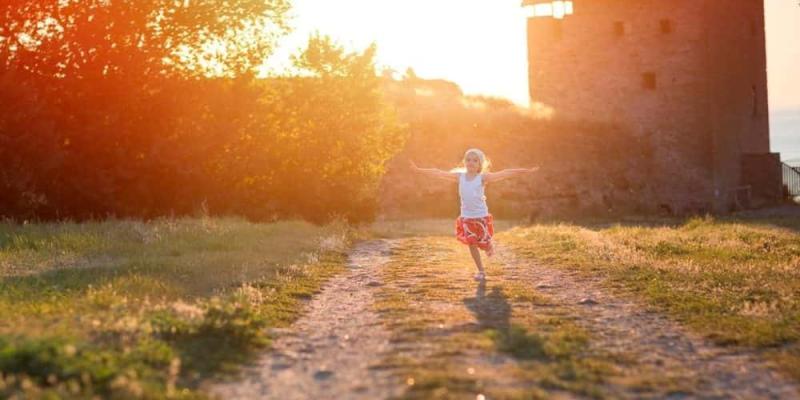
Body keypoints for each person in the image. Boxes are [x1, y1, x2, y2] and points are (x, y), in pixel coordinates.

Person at [410, 148, 539, 281]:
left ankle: (488, 246)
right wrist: (419, 170)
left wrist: (525, 171)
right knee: (472, 244)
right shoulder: (459, 177)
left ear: (480, 164)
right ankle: (481, 271)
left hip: (481, 217)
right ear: (464, 162)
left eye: (475, 160)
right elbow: (437, 172)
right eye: (468, 160)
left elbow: (505, 173)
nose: (471, 162)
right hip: (467, 217)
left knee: (484, 243)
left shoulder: (482, 178)